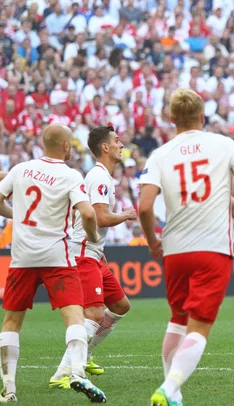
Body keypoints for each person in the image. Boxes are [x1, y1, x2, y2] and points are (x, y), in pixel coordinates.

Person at [138, 89, 234, 406]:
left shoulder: (160, 154)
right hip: (212, 248)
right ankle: (169, 388)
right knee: (200, 325)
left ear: (170, 119)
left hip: (175, 250)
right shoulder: (224, 145)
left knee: (178, 319)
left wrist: (153, 242)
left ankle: (174, 400)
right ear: (203, 116)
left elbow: (146, 206)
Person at [0, 123, 106, 403]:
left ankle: (9, 391)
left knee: (11, 321)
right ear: (67, 146)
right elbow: (88, 213)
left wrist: (15, 215)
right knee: (74, 316)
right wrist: (92, 236)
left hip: (22, 257)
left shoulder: (21, 169)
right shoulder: (69, 175)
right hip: (57, 257)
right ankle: (78, 373)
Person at [49, 126, 136, 389]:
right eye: (117, 141)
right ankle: (62, 373)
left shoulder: (103, 176)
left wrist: (102, 252)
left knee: (120, 306)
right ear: (105, 148)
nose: (121, 144)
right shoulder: (99, 177)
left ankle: (83, 356)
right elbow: (99, 217)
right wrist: (126, 214)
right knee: (94, 313)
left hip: (94, 253)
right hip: (83, 253)